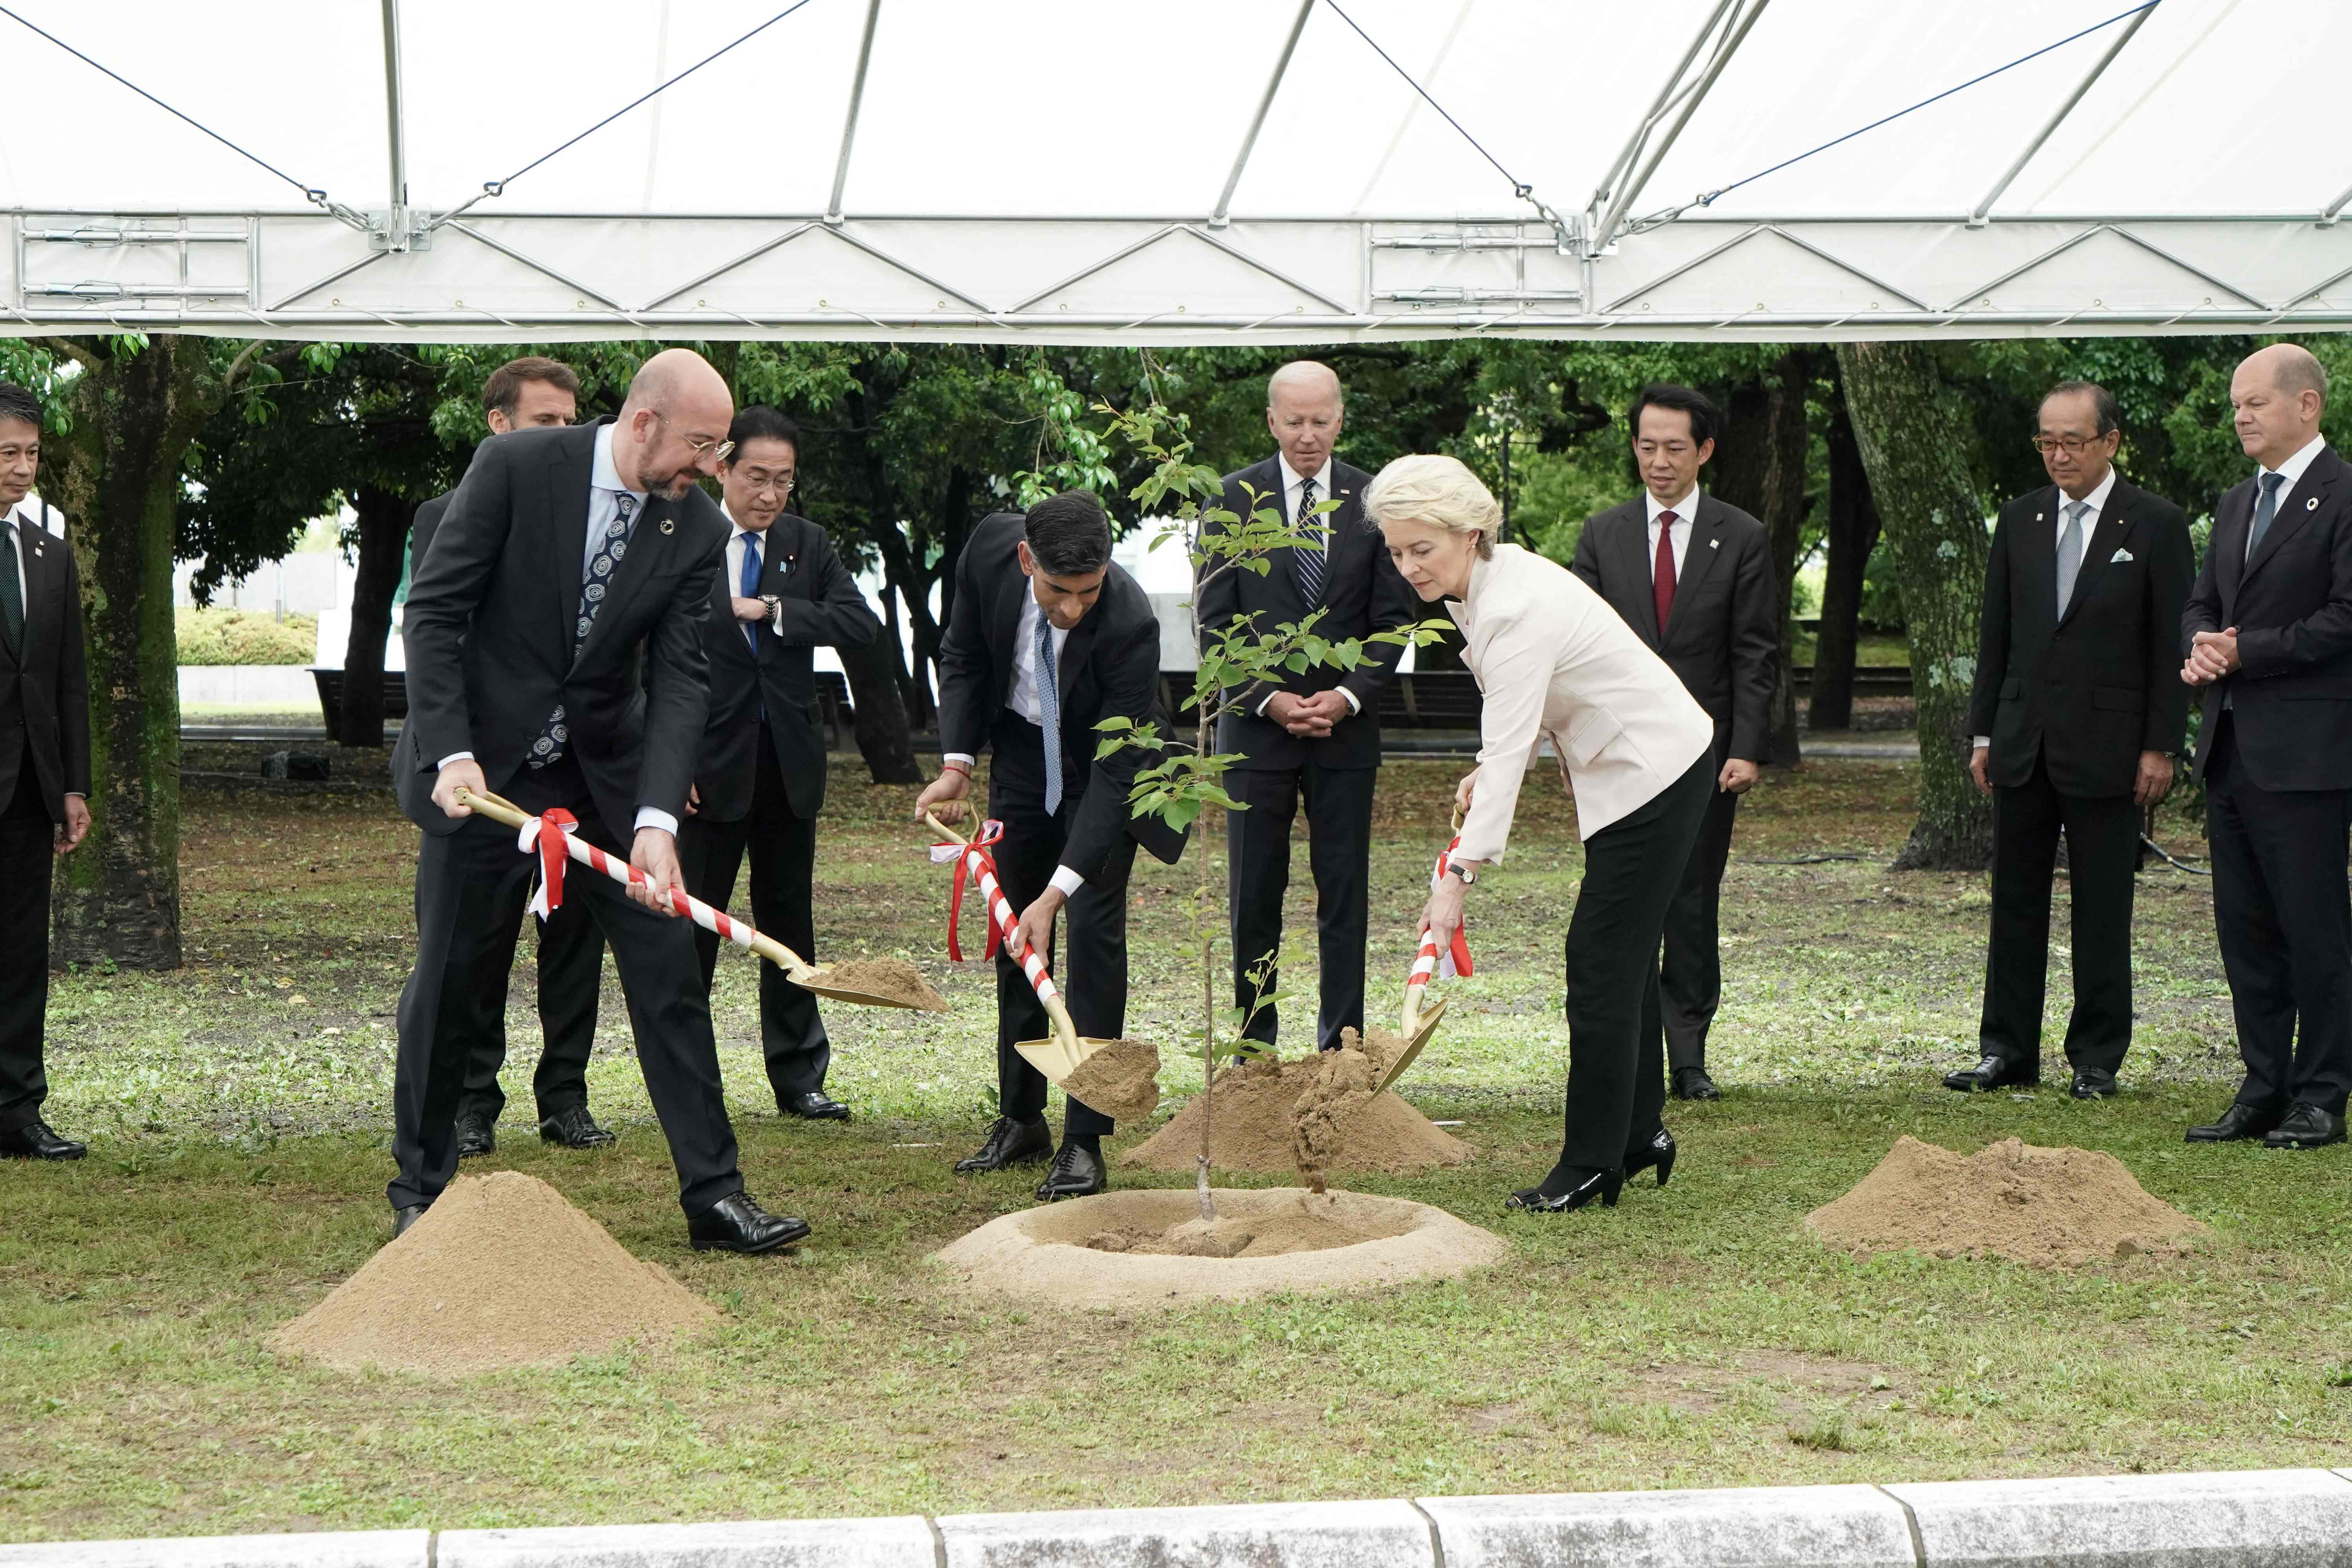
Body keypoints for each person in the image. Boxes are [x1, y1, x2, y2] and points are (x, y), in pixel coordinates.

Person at [392, 347, 806, 1254]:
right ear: (645, 422)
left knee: (669, 975)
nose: (711, 467)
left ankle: (716, 1195)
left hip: (607, 779)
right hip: (485, 777)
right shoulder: (514, 467)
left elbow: (682, 676)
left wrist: (658, 819)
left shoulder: (692, 527)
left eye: (719, 447)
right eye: (701, 444)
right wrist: (452, 753)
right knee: (452, 979)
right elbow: (434, 613)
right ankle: (420, 1191)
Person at [1366, 454, 1713, 1213]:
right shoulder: (1488, 583)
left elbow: (1512, 724)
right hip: (1635, 766)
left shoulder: (1512, 606)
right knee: (1616, 956)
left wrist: (1454, 879)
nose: (1407, 566)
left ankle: (1592, 1162)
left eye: (1422, 548)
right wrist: (1488, 768)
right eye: (1396, 550)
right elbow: (1514, 723)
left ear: (1472, 532)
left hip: (1654, 769)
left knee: (1598, 959)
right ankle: (1638, 1131)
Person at [913, 492, 1186, 1201]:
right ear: (1026, 558)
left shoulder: (1130, 620)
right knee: (1017, 935)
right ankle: (1021, 1117)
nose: (1072, 608)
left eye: (1086, 592)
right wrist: (957, 763)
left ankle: (1084, 1139)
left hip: (1105, 766)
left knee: (1092, 932)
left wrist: (1059, 890)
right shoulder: (986, 553)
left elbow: (1117, 770)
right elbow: (966, 656)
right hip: (1023, 757)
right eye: (1058, 593)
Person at [1951, 380, 2193, 1100]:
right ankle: (2007, 1050)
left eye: (2072, 442)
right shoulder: (2019, 519)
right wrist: (1985, 731)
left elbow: (2167, 647)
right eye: (2046, 442)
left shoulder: (2155, 523)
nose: (2058, 455)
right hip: (2023, 742)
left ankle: (2096, 1057)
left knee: (2102, 905)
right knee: (2016, 902)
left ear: (2110, 441)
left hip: (2113, 748)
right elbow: (1996, 637)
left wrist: (2161, 746)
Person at [407, 356, 618, 1158]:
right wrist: (458, 754)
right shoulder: (443, 515)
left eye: (572, 424)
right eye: (545, 424)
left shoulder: (606, 520)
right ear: (499, 428)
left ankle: (565, 1094)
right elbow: (438, 636)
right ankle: (470, 1098)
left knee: (575, 937)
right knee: (479, 942)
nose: (564, 438)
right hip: (486, 774)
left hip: (578, 773)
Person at [1196, 361, 1417, 1054]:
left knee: (1344, 894)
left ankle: (1340, 1047)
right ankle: (1255, 1046)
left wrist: (1347, 696)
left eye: (1321, 421)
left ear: (1340, 418)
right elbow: (1212, 627)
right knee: (1253, 896)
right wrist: (1268, 699)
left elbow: (1394, 622)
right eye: (1295, 421)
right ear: (1271, 421)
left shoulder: (1375, 501)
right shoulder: (1231, 502)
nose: (1308, 435)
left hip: (1346, 738)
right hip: (1256, 736)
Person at [1570, 384, 1776, 1101]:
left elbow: (1755, 652)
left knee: (1691, 901)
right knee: (1628, 902)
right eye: (1647, 446)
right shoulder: (1602, 535)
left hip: (1706, 755)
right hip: (1618, 756)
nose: (1659, 462)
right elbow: (1575, 649)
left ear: (1706, 451)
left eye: (1675, 448)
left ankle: (1688, 1053)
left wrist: (1746, 747)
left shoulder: (1742, 535)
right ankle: (1635, 1053)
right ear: (1634, 447)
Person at [677, 407, 881, 1120]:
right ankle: (687, 1080)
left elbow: (859, 623)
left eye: (784, 481)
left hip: (788, 767)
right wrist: (673, 764)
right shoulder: (683, 535)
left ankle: (799, 1077)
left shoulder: (806, 544)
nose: (769, 495)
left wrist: (770, 608)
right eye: (756, 477)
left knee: (790, 924)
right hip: (706, 769)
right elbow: (646, 656)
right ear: (722, 469)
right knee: (695, 924)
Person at [2181, 343, 2352, 1151]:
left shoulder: (2345, 494)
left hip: (2310, 753)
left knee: (2314, 930)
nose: (2242, 414)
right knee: (2245, 929)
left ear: (2308, 405)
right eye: (2236, 403)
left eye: (2256, 401)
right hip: (2230, 748)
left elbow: (2347, 617)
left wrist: (2251, 649)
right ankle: (2263, 1083)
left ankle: (2321, 1092)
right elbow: (2204, 600)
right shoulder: (2236, 501)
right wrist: (2202, 646)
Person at [0, 383, 92, 1160]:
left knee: (23, 952)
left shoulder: (48, 550)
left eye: (31, 453)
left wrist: (73, 786)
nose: (23, 468)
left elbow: (67, 681)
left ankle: (19, 1110)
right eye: (8, 454)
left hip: (30, 790)